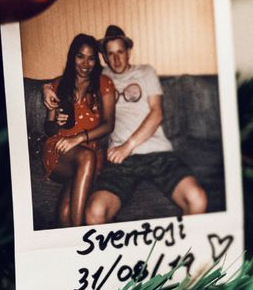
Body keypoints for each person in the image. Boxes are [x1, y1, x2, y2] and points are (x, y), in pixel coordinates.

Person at [47, 24, 207, 224]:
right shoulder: (100, 78)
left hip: (157, 153)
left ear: (129, 51)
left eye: (120, 52)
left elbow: (157, 113)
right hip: (120, 161)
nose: (116, 59)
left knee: (197, 199)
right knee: (95, 212)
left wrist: (128, 146)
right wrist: (47, 89)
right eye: (110, 54)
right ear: (104, 57)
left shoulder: (145, 72)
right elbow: (71, 78)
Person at [41, 33, 115, 227]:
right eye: (80, 56)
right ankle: (82, 236)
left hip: (89, 154)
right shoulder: (58, 85)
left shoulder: (104, 84)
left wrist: (78, 139)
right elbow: (49, 129)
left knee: (64, 216)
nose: (85, 63)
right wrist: (54, 118)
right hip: (59, 151)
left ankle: (72, 235)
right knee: (86, 157)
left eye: (91, 58)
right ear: (72, 57)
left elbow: (109, 124)